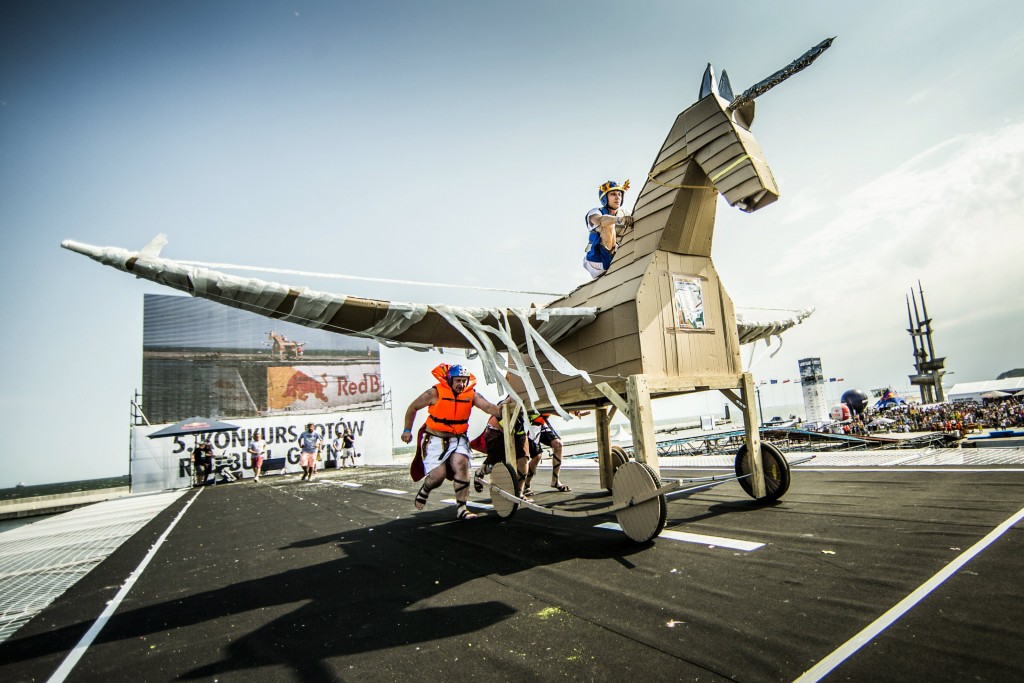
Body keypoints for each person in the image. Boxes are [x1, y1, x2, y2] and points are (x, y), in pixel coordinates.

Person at [401, 363, 501, 520]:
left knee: (462, 465)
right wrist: (407, 430)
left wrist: (505, 410)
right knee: (437, 476)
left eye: (464, 381)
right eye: (458, 381)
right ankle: (426, 489)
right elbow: (412, 408)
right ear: (449, 380)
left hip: (458, 438)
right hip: (435, 439)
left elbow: (488, 407)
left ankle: (462, 508)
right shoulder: (434, 393)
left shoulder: (471, 394)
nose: (461, 384)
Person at [474, 398, 540, 500]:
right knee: (496, 464)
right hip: (497, 431)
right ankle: (480, 472)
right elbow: (495, 420)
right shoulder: (513, 398)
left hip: (518, 430)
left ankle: (519, 492)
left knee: (523, 458)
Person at [583, 179, 633, 278]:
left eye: (619, 194)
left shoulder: (626, 213)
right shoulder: (595, 212)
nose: (617, 197)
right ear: (605, 198)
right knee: (608, 223)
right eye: (613, 194)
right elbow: (600, 220)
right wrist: (619, 220)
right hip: (598, 259)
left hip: (618, 256)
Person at [530, 412, 571, 492]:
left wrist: (575, 412)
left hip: (541, 424)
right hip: (529, 425)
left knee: (558, 444)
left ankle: (555, 480)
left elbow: (554, 408)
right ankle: (526, 484)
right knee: (537, 456)